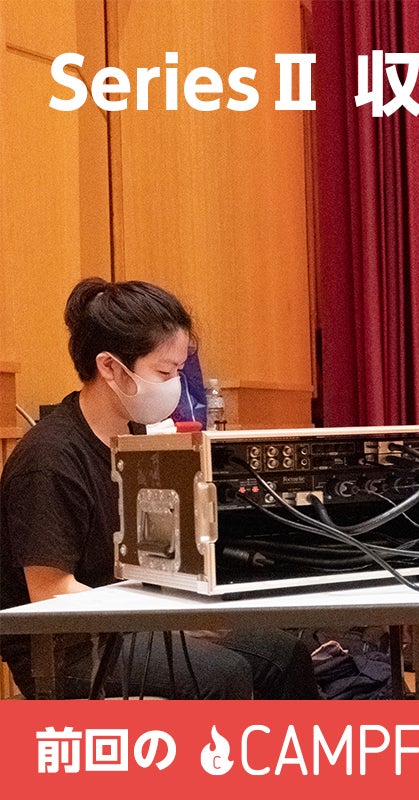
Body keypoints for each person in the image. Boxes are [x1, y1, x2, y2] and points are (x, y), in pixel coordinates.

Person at [0, 277, 320, 699]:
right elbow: (51, 593)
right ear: (110, 367)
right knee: (222, 675)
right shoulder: (50, 459)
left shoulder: (134, 437)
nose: (175, 385)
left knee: (286, 654)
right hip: (67, 649)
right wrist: (167, 617)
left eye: (178, 371)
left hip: (131, 625)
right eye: (165, 372)